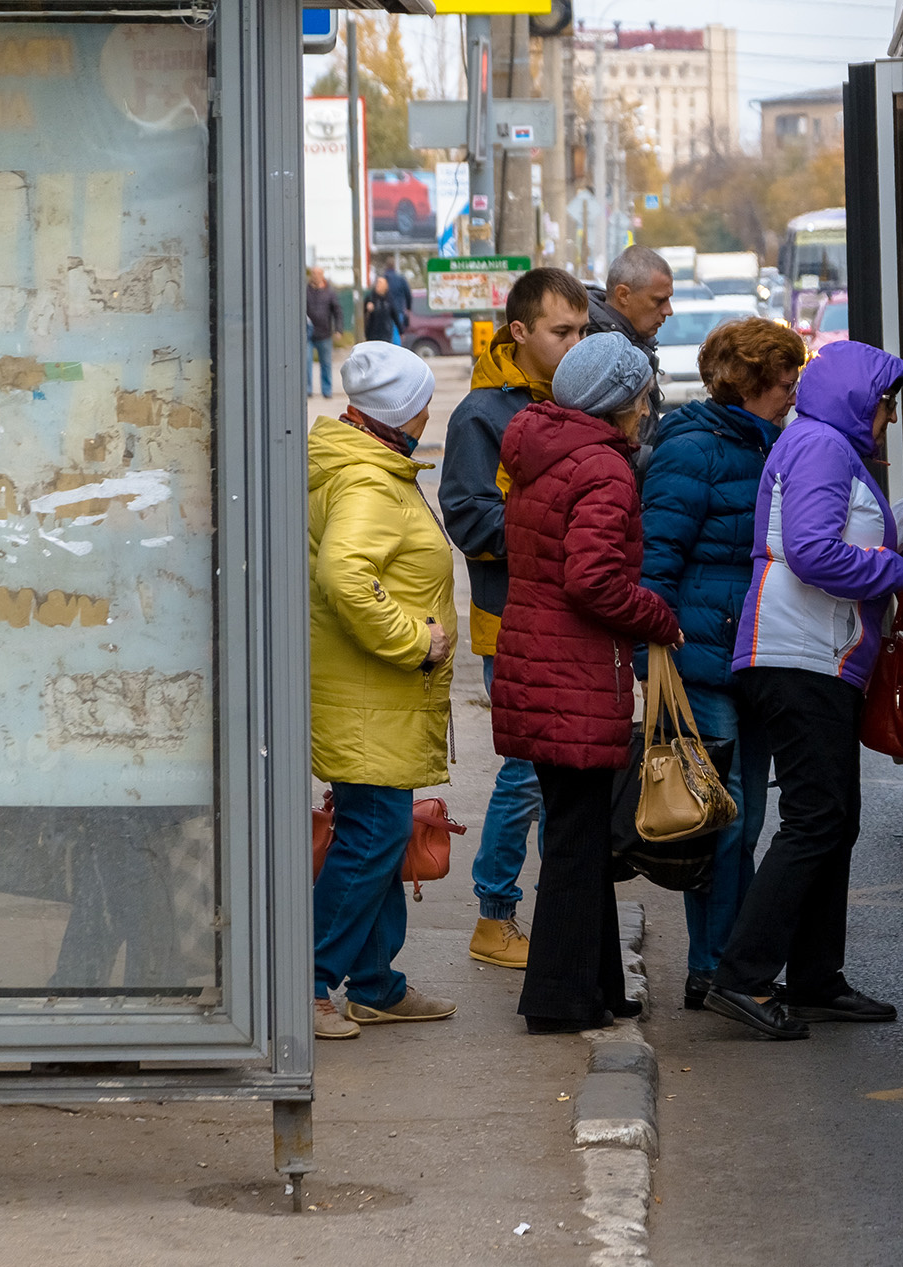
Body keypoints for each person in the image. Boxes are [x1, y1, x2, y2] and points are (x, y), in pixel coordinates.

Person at [706, 340, 903, 1040]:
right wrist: (902, 572)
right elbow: (811, 551)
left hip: (816, 658)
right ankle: (741, 976)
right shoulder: (824, 448)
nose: (890, 419)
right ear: (863, 400)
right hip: (797, 657)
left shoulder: (820, 444)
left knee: (835, 820)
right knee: (815, 820)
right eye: (887, 404)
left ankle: (814, 979)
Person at [490, 332, 680, 1034]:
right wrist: (657, 616)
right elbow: (593, 578)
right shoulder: (600, 466)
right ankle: (559, 999)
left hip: (538, 663)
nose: (646, 403)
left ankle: (597, 986)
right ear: (620, 399)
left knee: (582, 832)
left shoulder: (542, 448)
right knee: (575, 840)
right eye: (641, 392)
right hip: (571, 671)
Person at [637, 317, 806, 1010]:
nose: (794, 389)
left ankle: (731, 959)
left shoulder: (772, 443)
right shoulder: (695, 449)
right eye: (785, 377)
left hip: (758, 657)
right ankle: (714, 963)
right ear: (752, 380)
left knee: (749, 816)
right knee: (721, 818)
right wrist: (656, 659)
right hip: (703, 662)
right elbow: (657, 563)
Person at [438, 267, 590, 970]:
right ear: (521, 332)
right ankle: (493, 914)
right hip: (513, 616)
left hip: (572, 611)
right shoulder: (481, 413)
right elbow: (469, 518)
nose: (576, 343)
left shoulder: (577, 396)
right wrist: (560, 526)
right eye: (563, 332)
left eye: (583, 331)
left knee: (560, 772)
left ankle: (553, 913)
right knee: (526, 770)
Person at [307, 341, 459, 1040]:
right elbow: (345, 575)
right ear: (405, 410)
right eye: (425, 400)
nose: (431, 410)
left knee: (378, 834)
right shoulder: (369, 480)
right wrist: (413, 638)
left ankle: (374, 984)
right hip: (371, 689)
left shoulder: (368, 462)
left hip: (372, 693)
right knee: (375, 834)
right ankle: (307, 981)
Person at [585, 244, 674, 443]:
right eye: (659, 300)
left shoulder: (633, 340)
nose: (669, 310)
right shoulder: (595, 349)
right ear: (623, 295)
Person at [306, 267, 342, 398]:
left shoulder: (329, 292)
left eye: (318, 274)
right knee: (306, 362)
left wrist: (338, 329)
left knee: (326, 364)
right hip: (307, 334)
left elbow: (338, 312)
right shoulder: (305, 291)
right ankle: (307, 390)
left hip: (325, 333)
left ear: (322, 275)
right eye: (313, 274)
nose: (315, 276)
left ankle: (327, 391)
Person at [384, 260, 413, 346]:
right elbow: (408, 295)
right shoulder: (401, 279)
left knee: (385, 335)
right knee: (396, 334)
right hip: (398, 310)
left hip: (384, 311)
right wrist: (408, 308)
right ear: (394, 267)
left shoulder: (383, 279)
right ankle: (395, 352)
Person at [363, 275, 398, 344]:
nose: (378, 285)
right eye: (377, 283)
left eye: (381, 283)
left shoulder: (389, 299)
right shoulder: (370, 297)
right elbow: (363, 312)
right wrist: (367, 308)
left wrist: (401, 330)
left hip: (386, 333)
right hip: (372, 333)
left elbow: (394, 314)